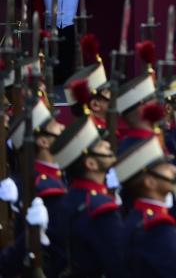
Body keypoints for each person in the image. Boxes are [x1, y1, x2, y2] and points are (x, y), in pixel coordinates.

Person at [48, 117, 123, 277]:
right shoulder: (100, 209)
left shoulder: (70, 198)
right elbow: (119, 267)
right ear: (91, 164)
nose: (107, 145)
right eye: (100, 145)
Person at [116, 137, 176, 277]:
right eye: (165, 168)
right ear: (150, 183)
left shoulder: (137, 218)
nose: (174, 170)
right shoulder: (157, 229)